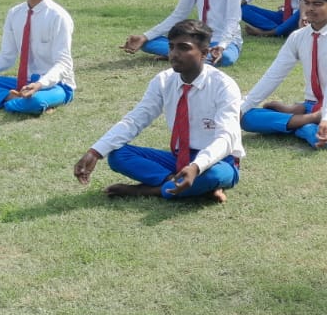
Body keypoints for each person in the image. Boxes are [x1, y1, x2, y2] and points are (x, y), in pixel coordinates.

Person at [74, 19, 244, 202]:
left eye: (184, 48)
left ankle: (149, 190)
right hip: (178, 159)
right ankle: (182, 185)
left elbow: (226, 138)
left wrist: (197, 167)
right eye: (171, 47)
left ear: (204, 53)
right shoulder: (163, 81)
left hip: (219, 161)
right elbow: (135, 120)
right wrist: (95, 152)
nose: (174, 54)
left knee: (214, 176)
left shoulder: (223, 86)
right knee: (117, 155)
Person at [238, 0, 327, 149]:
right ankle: (307, 119)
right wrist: (244, 107)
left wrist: (326, 117)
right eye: (307, 3)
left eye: (317, 4)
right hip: (310, 106)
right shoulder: (298, 37)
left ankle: (296, 119)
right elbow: (274, 75)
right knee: (247, 119)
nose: (310, 9)